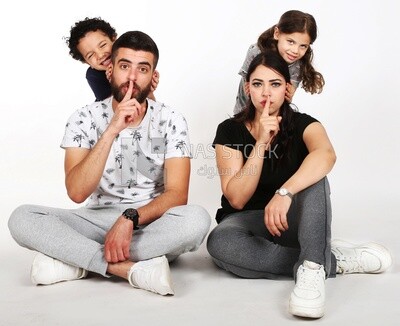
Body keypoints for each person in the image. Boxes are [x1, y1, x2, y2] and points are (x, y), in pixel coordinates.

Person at [8, 31, 211, 296]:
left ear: (153, 77)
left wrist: (130, 219)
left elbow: (177, 195)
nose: (132, 77)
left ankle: (76, 260)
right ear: (109, 71)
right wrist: (112, 130)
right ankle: (128, 269)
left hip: (148, 221)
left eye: (143, 69)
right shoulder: (83, 118)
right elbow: (77, 192)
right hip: (95, 218)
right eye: (125, 66)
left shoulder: (171, 119)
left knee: (196, 220)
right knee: (21, 218)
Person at [207, 51, 392, 318]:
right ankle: (326, 259)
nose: (266, 93)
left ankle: (313, 270)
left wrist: (284, 193)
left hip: (288, 220)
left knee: (317, 178)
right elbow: (236, 198)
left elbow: (327, 155)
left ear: (288, 89)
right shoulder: (228, 130)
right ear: (247, 88)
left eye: (275, 84)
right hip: (246, 224)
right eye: (258, 84)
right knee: (220, 243)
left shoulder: (306, 124)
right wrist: (260, 142)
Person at [233, 10, 325, 114]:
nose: (295, 51)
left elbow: (286, 99)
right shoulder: (256, 52)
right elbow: (248, 90)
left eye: (303, 46)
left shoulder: (298, 65)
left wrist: (288, 96)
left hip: (275, 114)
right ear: (277, 33)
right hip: (245, 110)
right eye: (290, 42)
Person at [66, 17, 159, 101]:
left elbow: (151, 106)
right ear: (86, 62)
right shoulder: (94, 76)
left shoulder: (133, 57)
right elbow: (114, 107)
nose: (100, 55)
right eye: (90, 55)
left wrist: (148, 90)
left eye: (102, 45)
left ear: (114, 39)